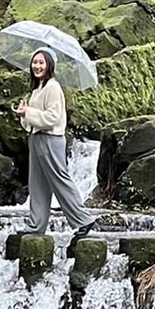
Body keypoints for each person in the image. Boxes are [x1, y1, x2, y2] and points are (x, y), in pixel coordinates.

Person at [15, 49, 98, 240]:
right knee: (37, 184)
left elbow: (52, 118)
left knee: (59, 180)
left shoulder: (53, 87)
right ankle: (36, 226)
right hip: (36, 138)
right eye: (34, 62)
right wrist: (24, 114)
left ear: (50, 65)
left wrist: (29, 113)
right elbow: (33, 120)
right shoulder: (38, 88)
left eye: (41, 63)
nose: (37, 66)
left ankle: (83, 219)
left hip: (50, 139)